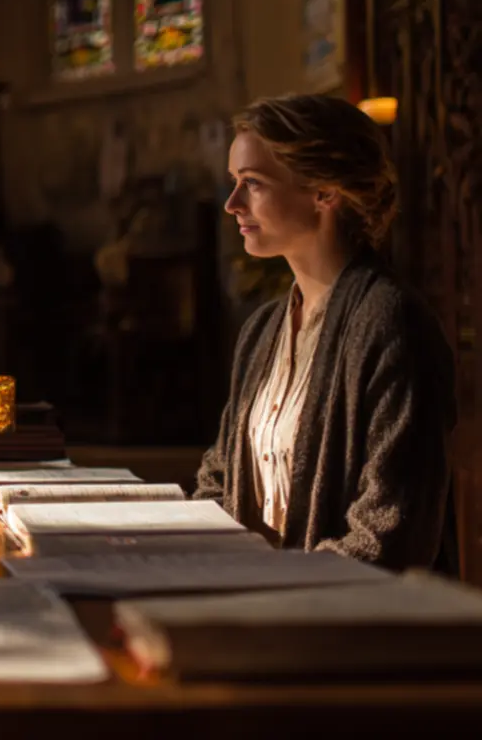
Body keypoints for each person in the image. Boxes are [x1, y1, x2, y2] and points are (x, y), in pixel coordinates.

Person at [194, 94, 456, 572]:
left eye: (252, 183)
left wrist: (277, 585)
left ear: (325, 192)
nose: (232, 204)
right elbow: (219, 479)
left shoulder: (391, 323)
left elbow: (390, 535)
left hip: (346, 624)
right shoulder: (262, 331)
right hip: (253, 603)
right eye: (234, 183)